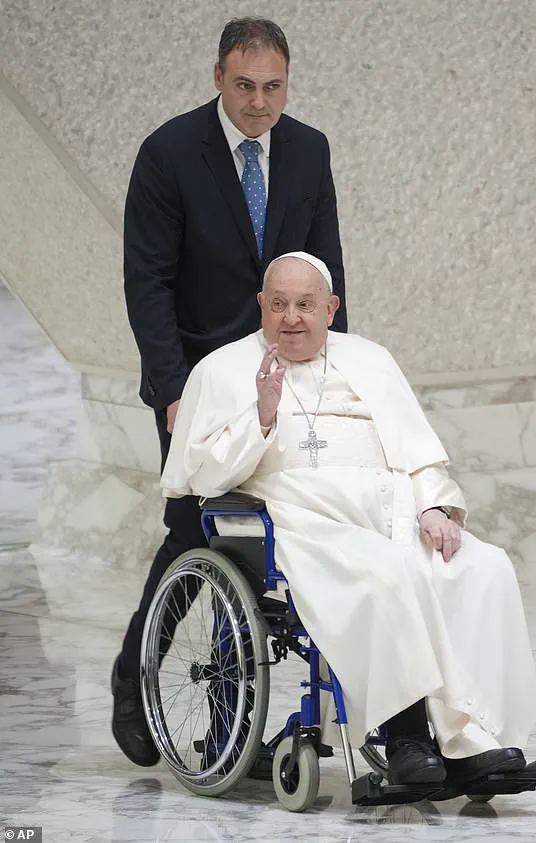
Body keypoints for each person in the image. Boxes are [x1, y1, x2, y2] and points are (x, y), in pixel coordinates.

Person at [160, 252, 536, 788]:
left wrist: (432, 505)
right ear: (261, 306)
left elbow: (417, 453)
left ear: (331, 308)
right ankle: (408, 739)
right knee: (387, 573)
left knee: (484, 567)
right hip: (303, 525)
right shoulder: (221, 369)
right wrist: (261, 415)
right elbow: (202, 477)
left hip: (394, 516)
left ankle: (476, 739)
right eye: (278, 305)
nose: (291, 318)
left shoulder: (371, 359)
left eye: (305, 305)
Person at [112, 18, 347, 767]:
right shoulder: (169, 153)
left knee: (262, 540)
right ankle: (135, 676)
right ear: (218, 78)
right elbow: (147, 283)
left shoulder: (308, 150)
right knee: (196, 530)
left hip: (287, 372)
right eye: (244, 86)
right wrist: (173, 393)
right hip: (200, 380)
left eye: (273, 87)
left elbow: (327, 272)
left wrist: (340, 374)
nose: (258, 103)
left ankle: (226, 728)